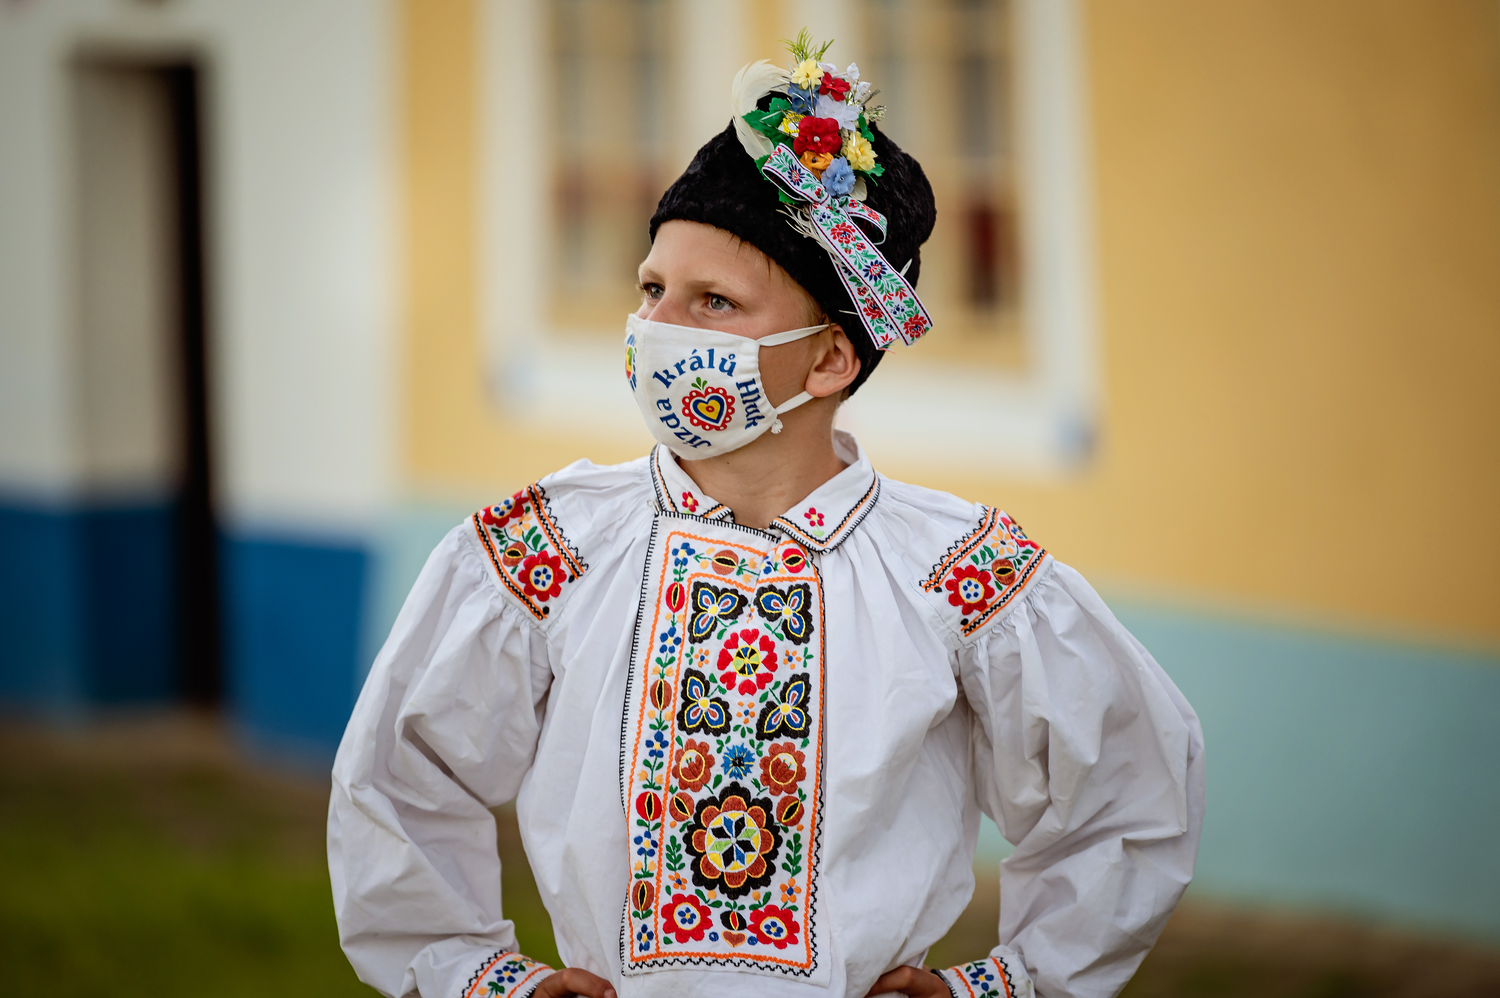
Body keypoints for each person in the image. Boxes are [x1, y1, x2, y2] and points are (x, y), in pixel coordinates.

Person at [329, 34, 1204, 998]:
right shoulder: (552, 548)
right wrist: (479, 977)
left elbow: (1128, 794)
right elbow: (397, 779)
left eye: (714, 302)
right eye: (652, 289)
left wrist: (1005, 983)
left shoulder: (959, 575)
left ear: (829, 359)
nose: (659, 329)